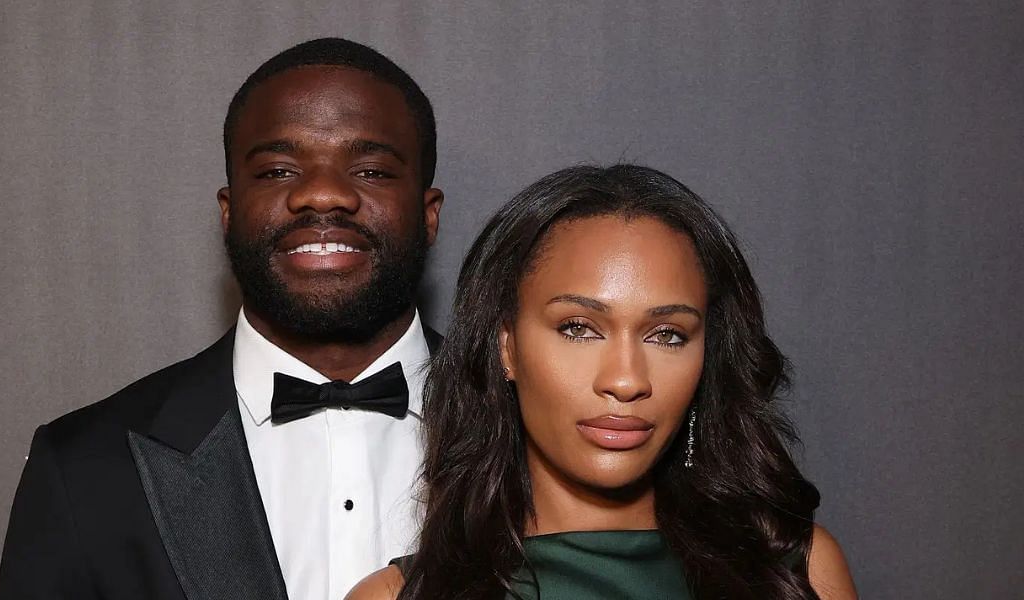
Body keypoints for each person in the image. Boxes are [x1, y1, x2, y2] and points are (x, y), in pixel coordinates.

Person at [0, 38, 445, 600]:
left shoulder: (539, 438)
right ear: (228, 214)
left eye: (373, 170)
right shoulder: (84, 466)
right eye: (279, 170)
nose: (323, 193)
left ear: (429, 216)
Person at [348, 164, 857, 599]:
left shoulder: (797, 571)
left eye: (668, 335)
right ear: (506, 347)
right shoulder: (396, 597)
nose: (626, 380)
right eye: (579, 328)